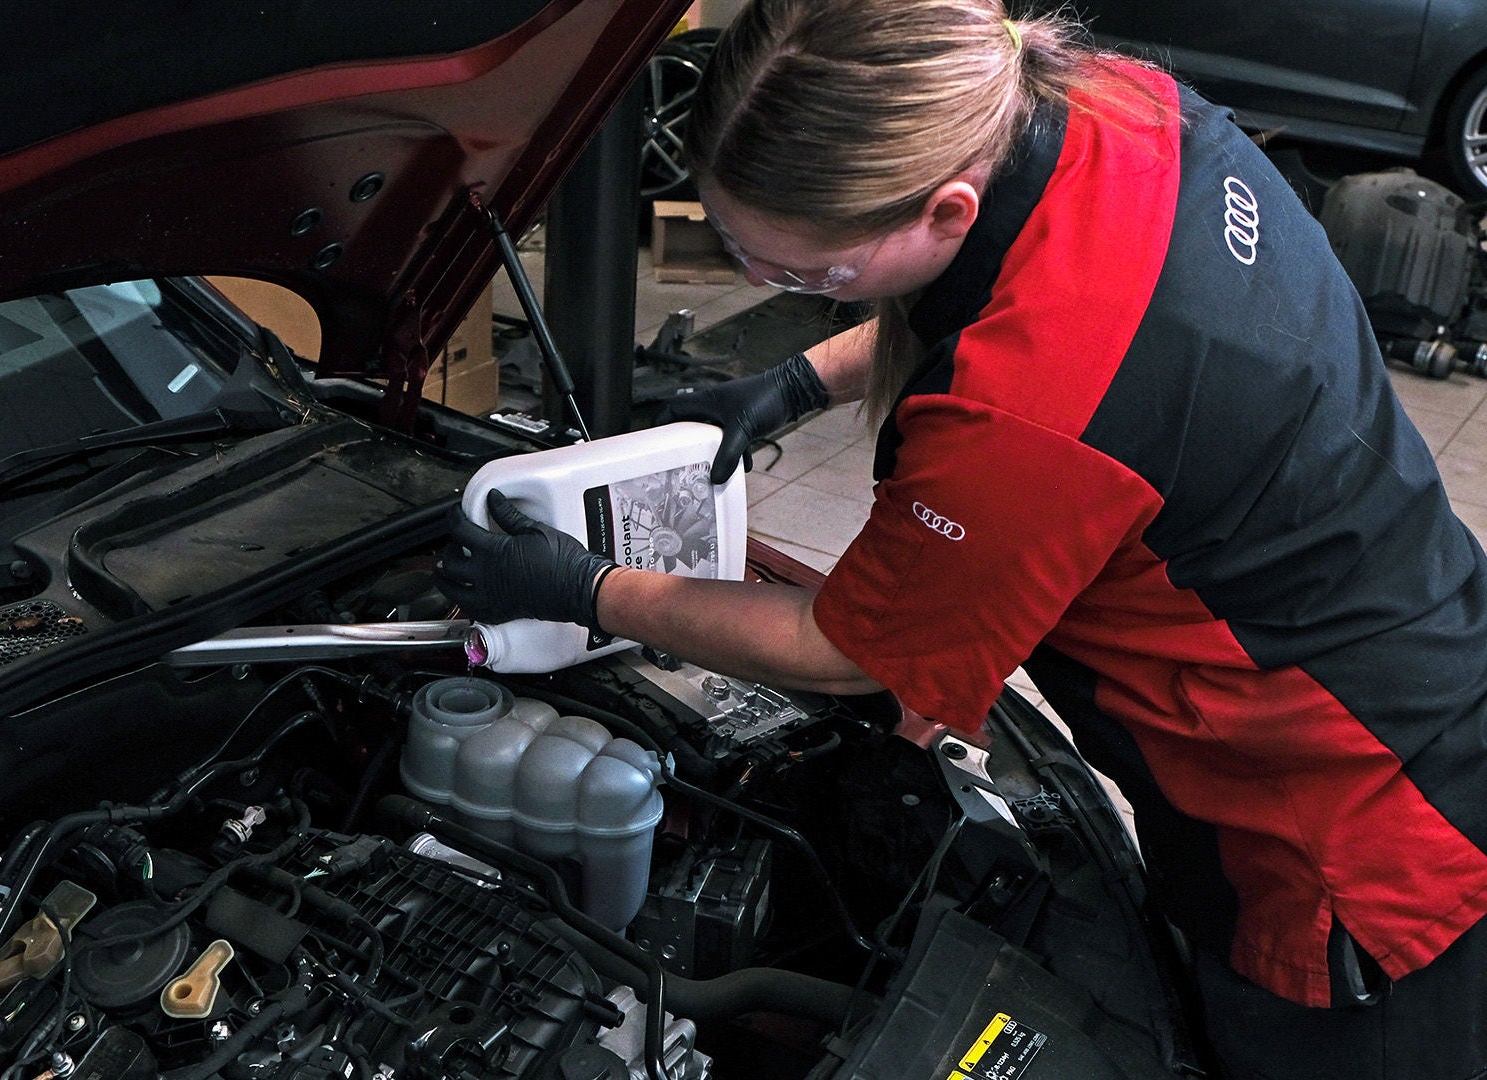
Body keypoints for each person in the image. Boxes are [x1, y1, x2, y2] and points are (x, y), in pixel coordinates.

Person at [435, 0, 1487, 1076]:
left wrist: (587, 588)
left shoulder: (1027, 419)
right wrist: (798, 378)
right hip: (1411, 644)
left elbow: (844, 646)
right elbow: (997, 277)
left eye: (808, 278)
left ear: (943, 202)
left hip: (1352, 850)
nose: (770, 290)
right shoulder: (1105, 100)